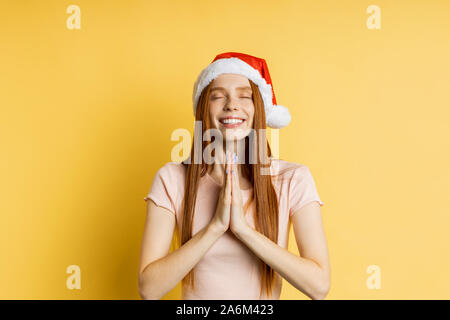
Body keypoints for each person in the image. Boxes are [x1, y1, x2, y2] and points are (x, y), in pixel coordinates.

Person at [138, 52, 330, 300]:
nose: (231, 105)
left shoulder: (293, 178)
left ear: (259, 109)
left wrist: (243, 230)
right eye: (218, 97)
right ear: (203, 109)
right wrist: (215, 227)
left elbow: (319, 286)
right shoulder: (172, 178)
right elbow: (149, 289)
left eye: (244, 96)